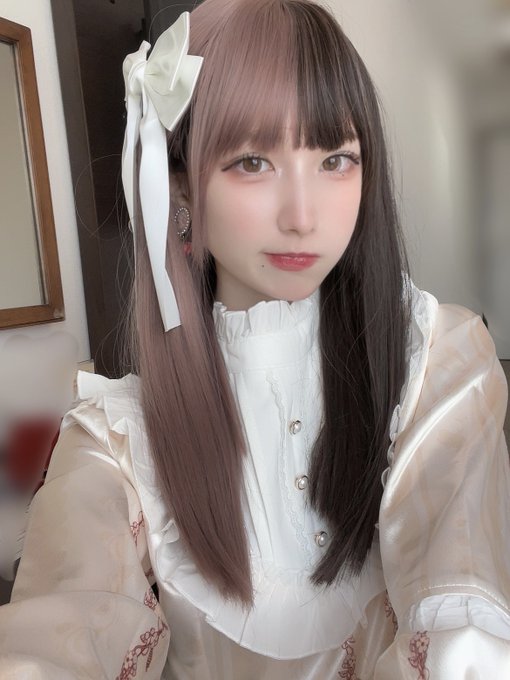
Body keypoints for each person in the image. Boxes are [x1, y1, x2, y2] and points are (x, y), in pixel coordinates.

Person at [1, 0, 509, 677]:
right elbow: (62, 627)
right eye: (252, 162)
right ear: (180, 189)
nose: (303, 216)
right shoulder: (116, 438)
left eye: (336, 159)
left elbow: (463, 625)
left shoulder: (436, 362)